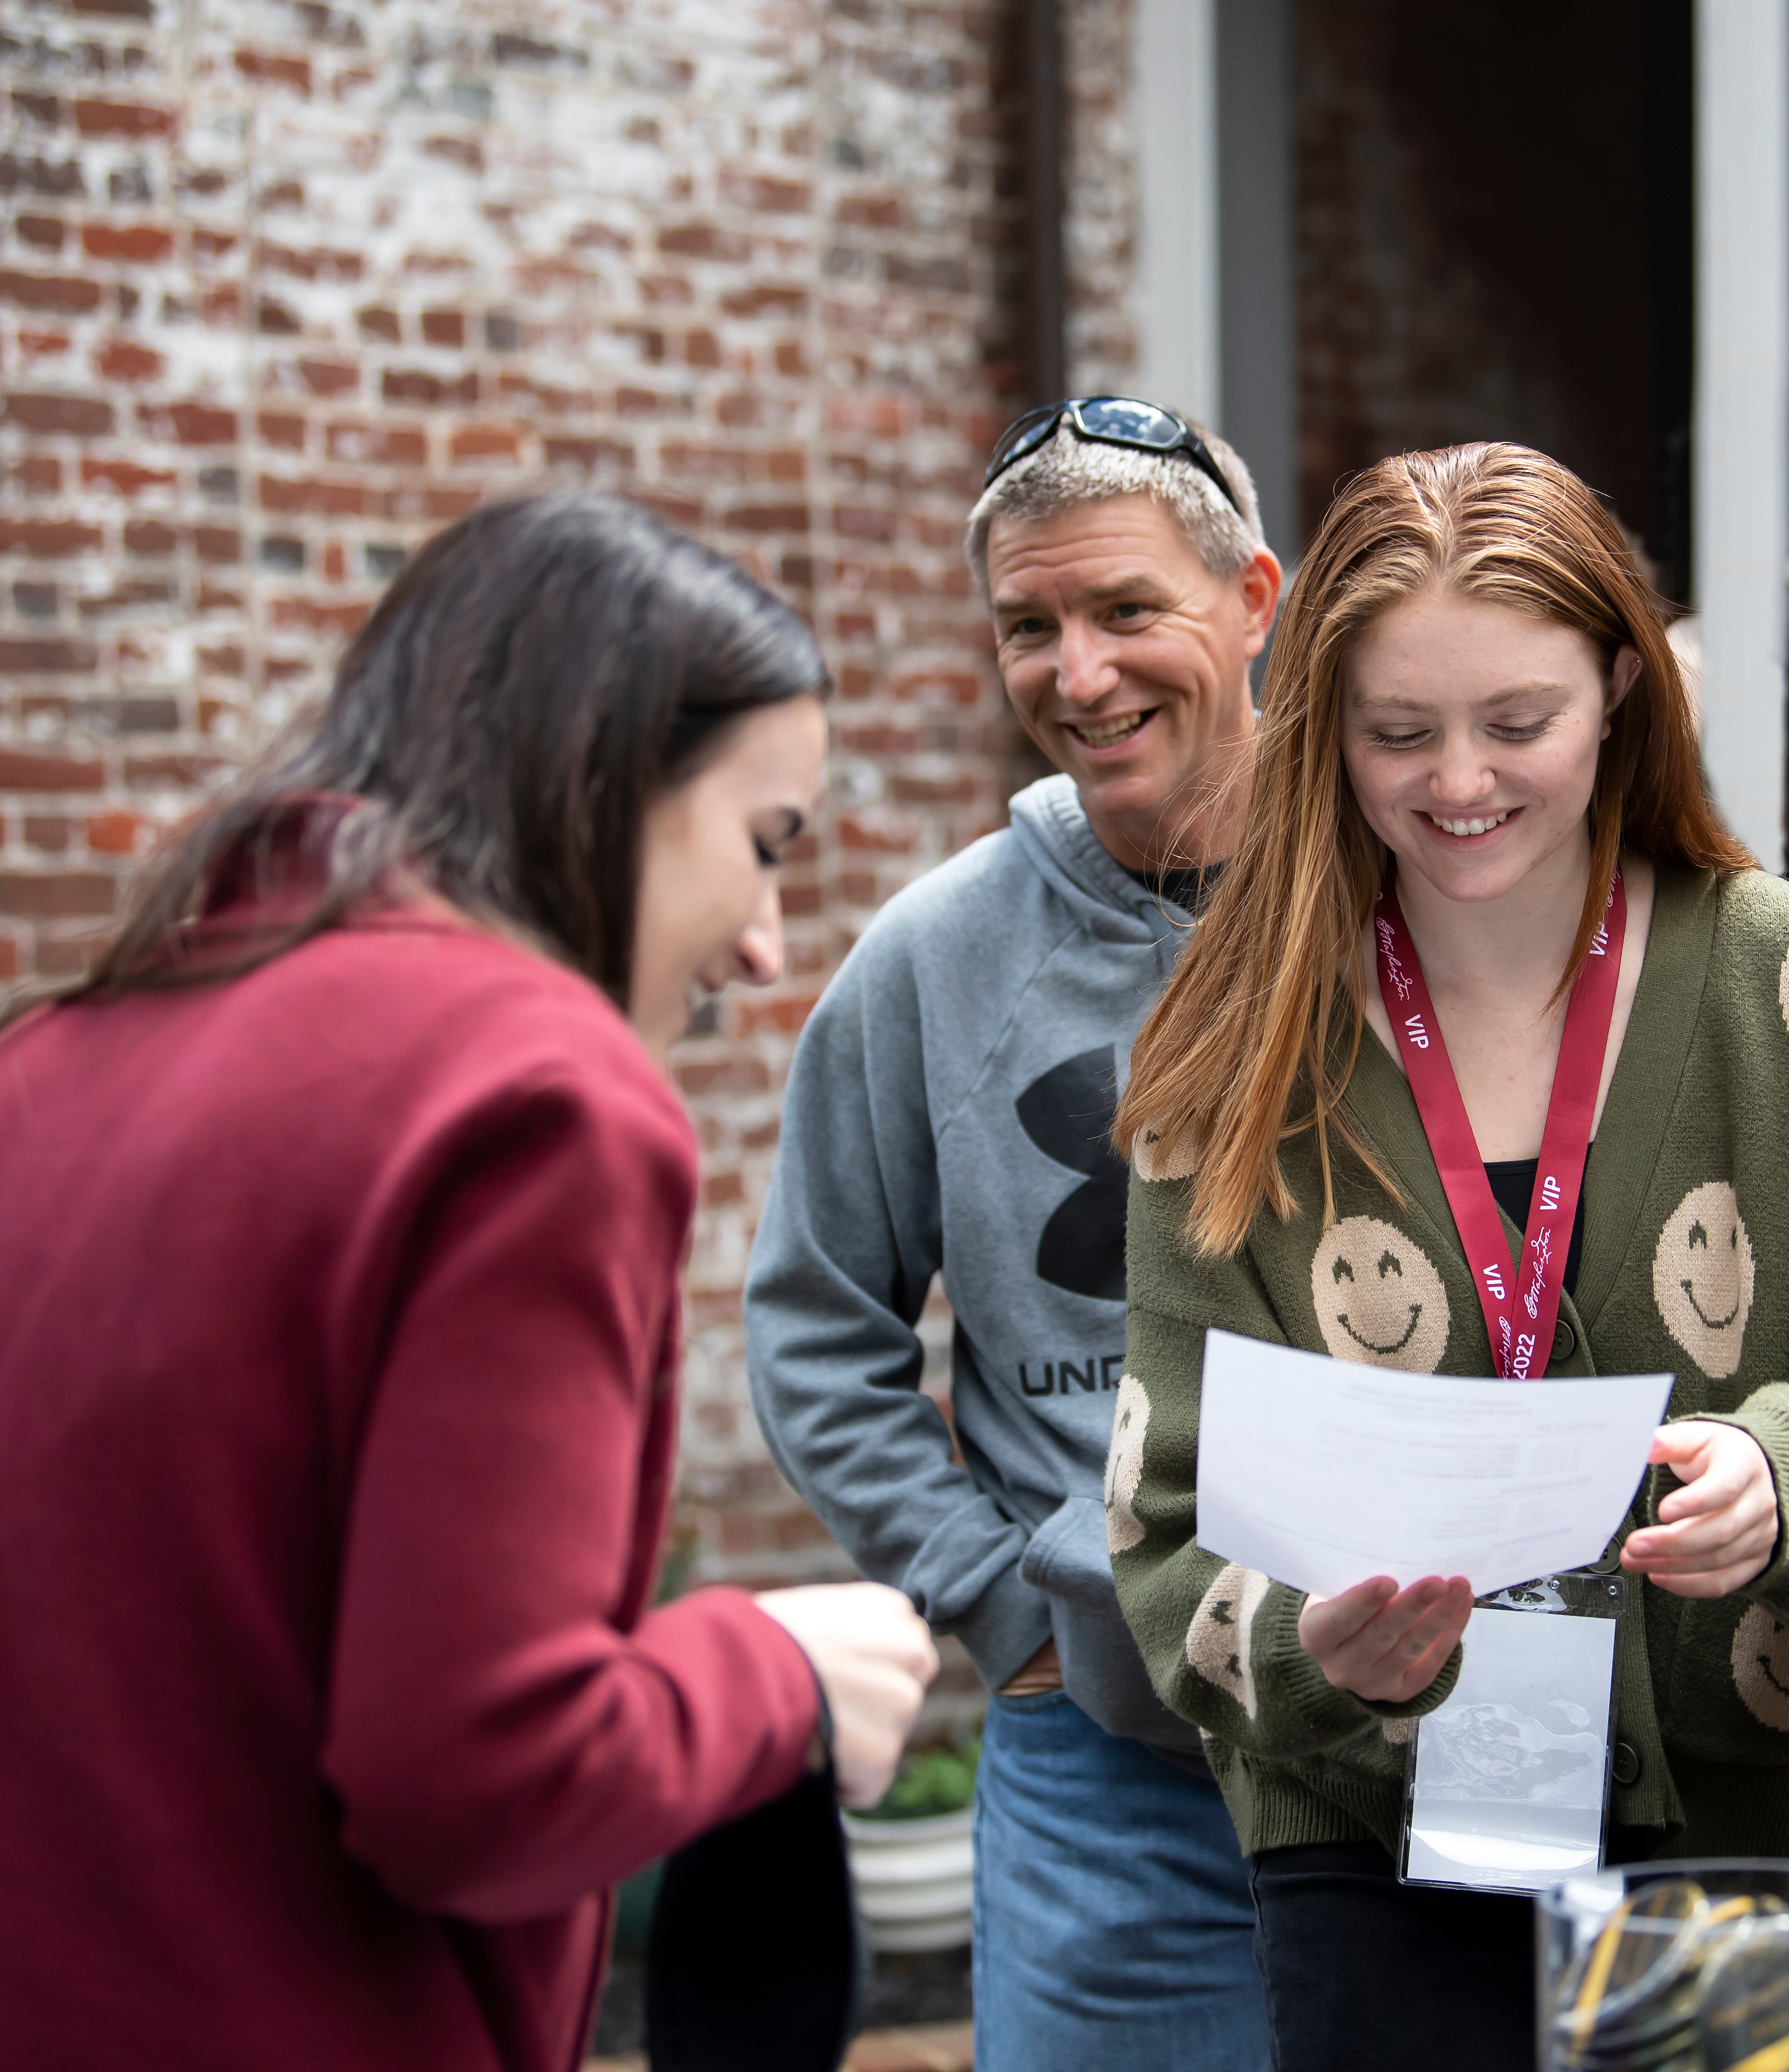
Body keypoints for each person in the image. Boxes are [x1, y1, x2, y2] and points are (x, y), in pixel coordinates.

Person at [0, 491, 939, 2071]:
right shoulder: (531, 1095)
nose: (760, 945)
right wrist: (777, 1668)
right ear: (599, 775)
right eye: (762, 845)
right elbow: (483, 1772)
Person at [1110, 441, 1789, 2071]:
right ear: (1323, 735)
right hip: (1373, 1853)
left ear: (1625, 699)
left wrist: (1782, 1476)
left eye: (1519, 722)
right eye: (1398, 732)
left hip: (1745, 1834)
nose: (1460, 781)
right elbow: (1161, 1522)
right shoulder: (1230, 1053)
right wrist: (1315, 1646)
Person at [746, 397, 1281, 2071]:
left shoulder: (1411, 894)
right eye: (1028, 627)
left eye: (1128, 609)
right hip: (1111, 1770)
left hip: (1434, 1740)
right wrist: (1003, 1601)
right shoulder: (932, 957)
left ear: (1253, 600)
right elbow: (816, 1325)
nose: (1079, 670)